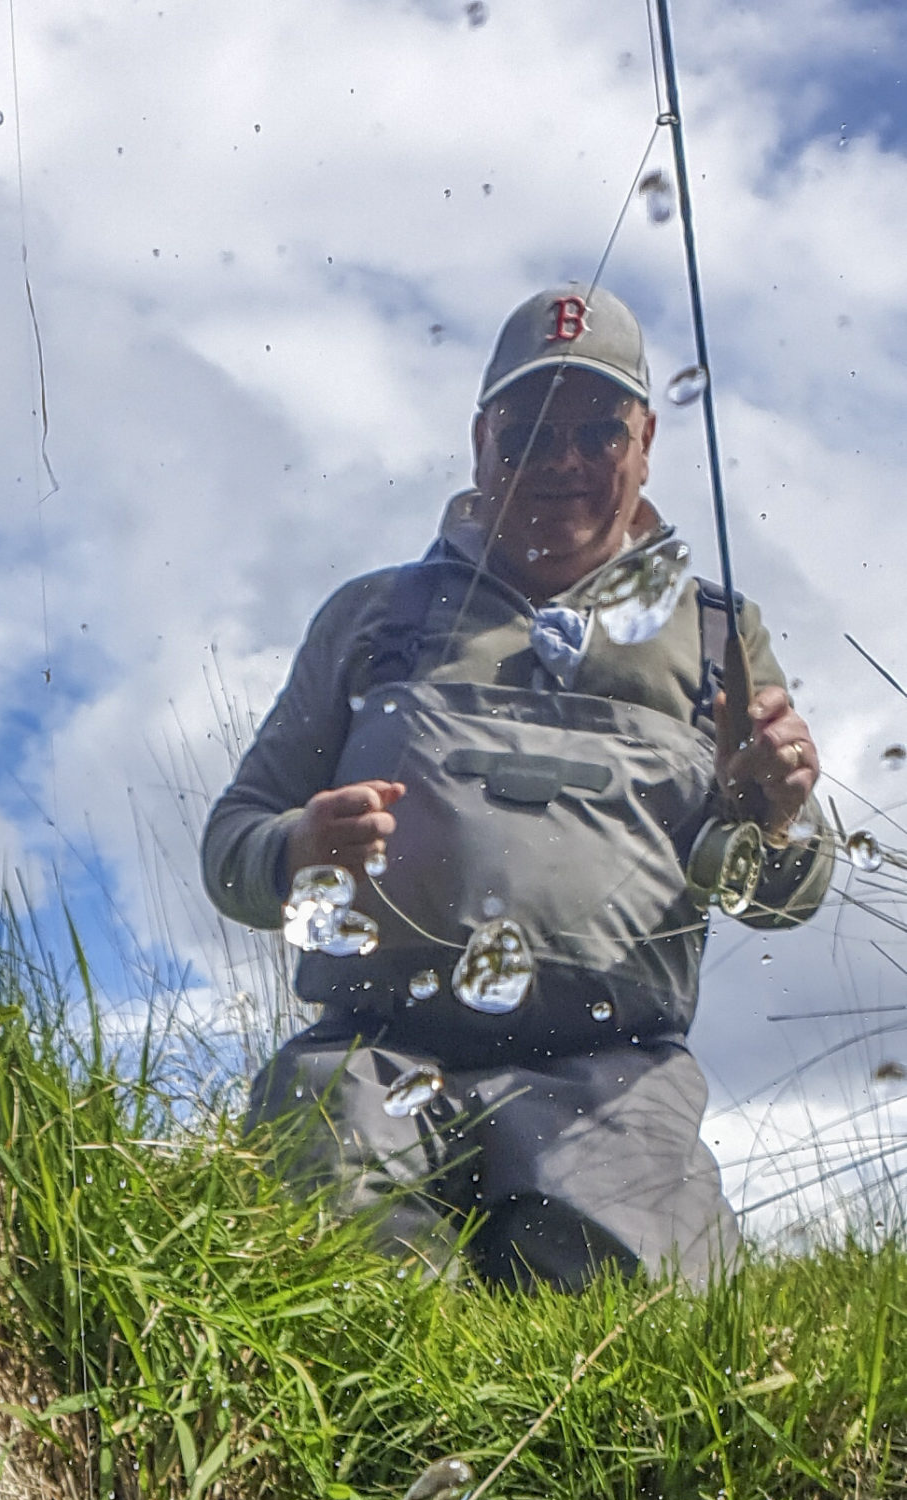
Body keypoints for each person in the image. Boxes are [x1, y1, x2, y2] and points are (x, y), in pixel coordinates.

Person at [201, 283, 832, 1287]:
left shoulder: (717, 634)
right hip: (368, 1058)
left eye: (595, 430)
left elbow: (782, 897)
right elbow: (228, 844)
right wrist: (292, 849)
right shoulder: (370, 619)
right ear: (478, 440)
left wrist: (776, 816)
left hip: (617, 1081)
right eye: (529, 433)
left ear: (645, 441)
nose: (563, 461)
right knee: (313, 1299)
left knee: (638, 1354)